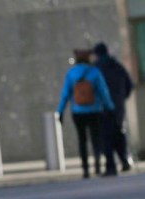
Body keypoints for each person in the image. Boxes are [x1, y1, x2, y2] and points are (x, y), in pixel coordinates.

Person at [57, 49, 115, 178]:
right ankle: (98, 164)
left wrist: (60, 111)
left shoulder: (71, 73)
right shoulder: (94, 72)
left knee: (82, 140)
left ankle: (85, 169)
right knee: (96, 139)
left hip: (78, 112)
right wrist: (110, 107)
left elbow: (65, 94)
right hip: (95, 111)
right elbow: (103, 92)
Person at [93, 42, 134, 176]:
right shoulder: (117, 66)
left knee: (106, 137)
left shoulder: (96, 68)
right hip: (118, 106)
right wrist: (121, 98)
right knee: (118, 133)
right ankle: (124, 161)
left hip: (102, 107)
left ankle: (110, 166)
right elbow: (130, 85)